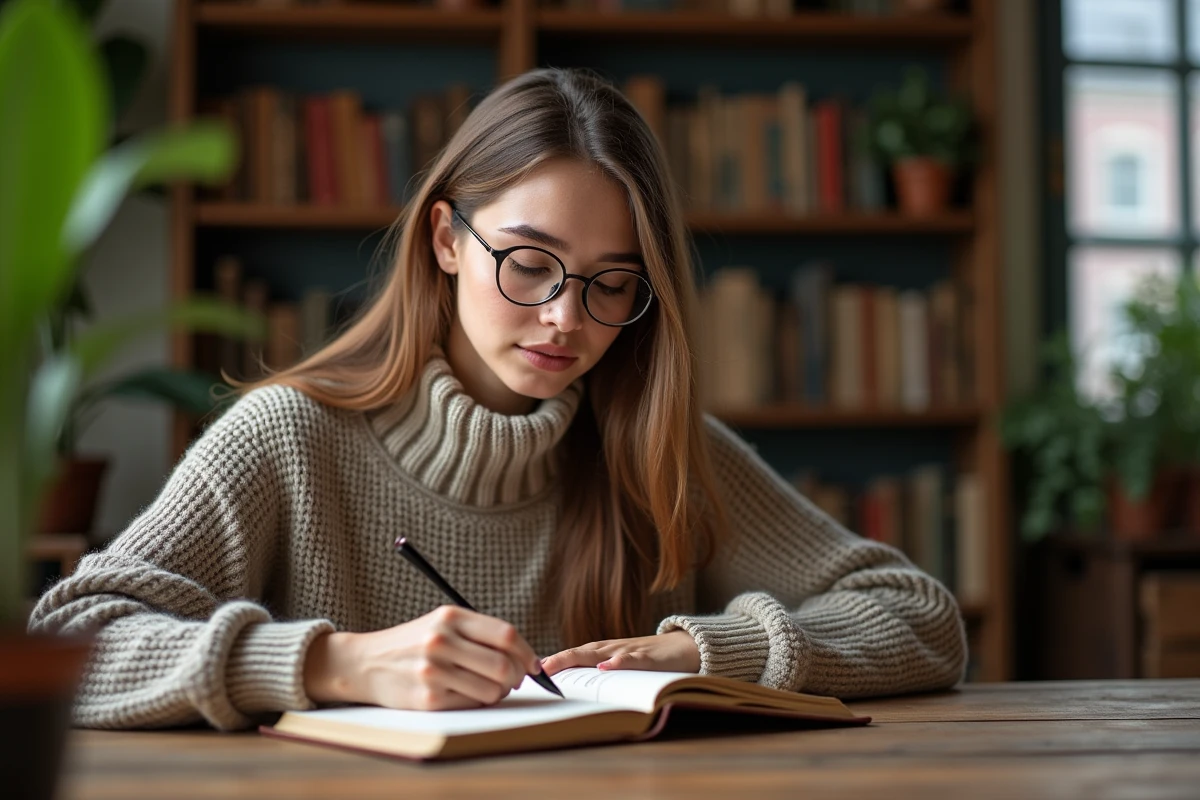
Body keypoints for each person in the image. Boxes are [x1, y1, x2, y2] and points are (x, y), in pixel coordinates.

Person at [29, 67, 966, 731]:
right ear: (446, 239)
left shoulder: (658, 447)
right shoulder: (290, 439)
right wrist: (332, 664)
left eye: (611, 283)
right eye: (529, 263)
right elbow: (71, 641)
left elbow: (919, 618)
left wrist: (703, 653)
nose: (566, 318)